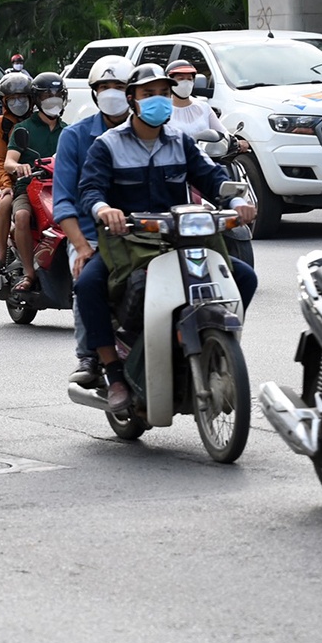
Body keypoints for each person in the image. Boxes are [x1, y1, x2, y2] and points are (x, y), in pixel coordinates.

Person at [75, 63, 258, 415]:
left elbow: (212, 177)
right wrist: (103, 210)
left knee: (244, 277)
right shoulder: (107, 145)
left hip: (181, 239)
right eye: (148, 94)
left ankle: (219, 349)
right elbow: (90, 189)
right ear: (132, 100)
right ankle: (112, 371)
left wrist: (237, 201)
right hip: (128, 242)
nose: (157, 100)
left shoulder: (181, 141)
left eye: (162, 93)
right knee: (88, 285)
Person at [53, 56, 133, 385]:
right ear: (94, 92)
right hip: (92, 235)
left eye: (119, 86)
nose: (111, 93)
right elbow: (64, 201)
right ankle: (88, 355)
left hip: (146, 233)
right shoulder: (75, 137)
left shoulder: (152, 132)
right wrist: (82, 246)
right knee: (86, 280)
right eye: (104, 87)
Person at [2, 71, 68, 293]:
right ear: (37, 100)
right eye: (47, 95)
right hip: (29, 188)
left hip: (61, 188)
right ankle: (30, 273)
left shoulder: (68, 131)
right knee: (21, 216)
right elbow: (9, 162)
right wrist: (19, 167)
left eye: (58, 95)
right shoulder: (24, 128)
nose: (53, 99)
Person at [0, 72, 33, 276]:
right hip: (13, 180)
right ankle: (1, 252)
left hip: (41, 177)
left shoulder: (40, 120)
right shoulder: (1, 124)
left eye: (22, 97)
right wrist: (5, 185)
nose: (18, 102)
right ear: (5, 101)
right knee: (5, 203)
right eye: (12, 99)